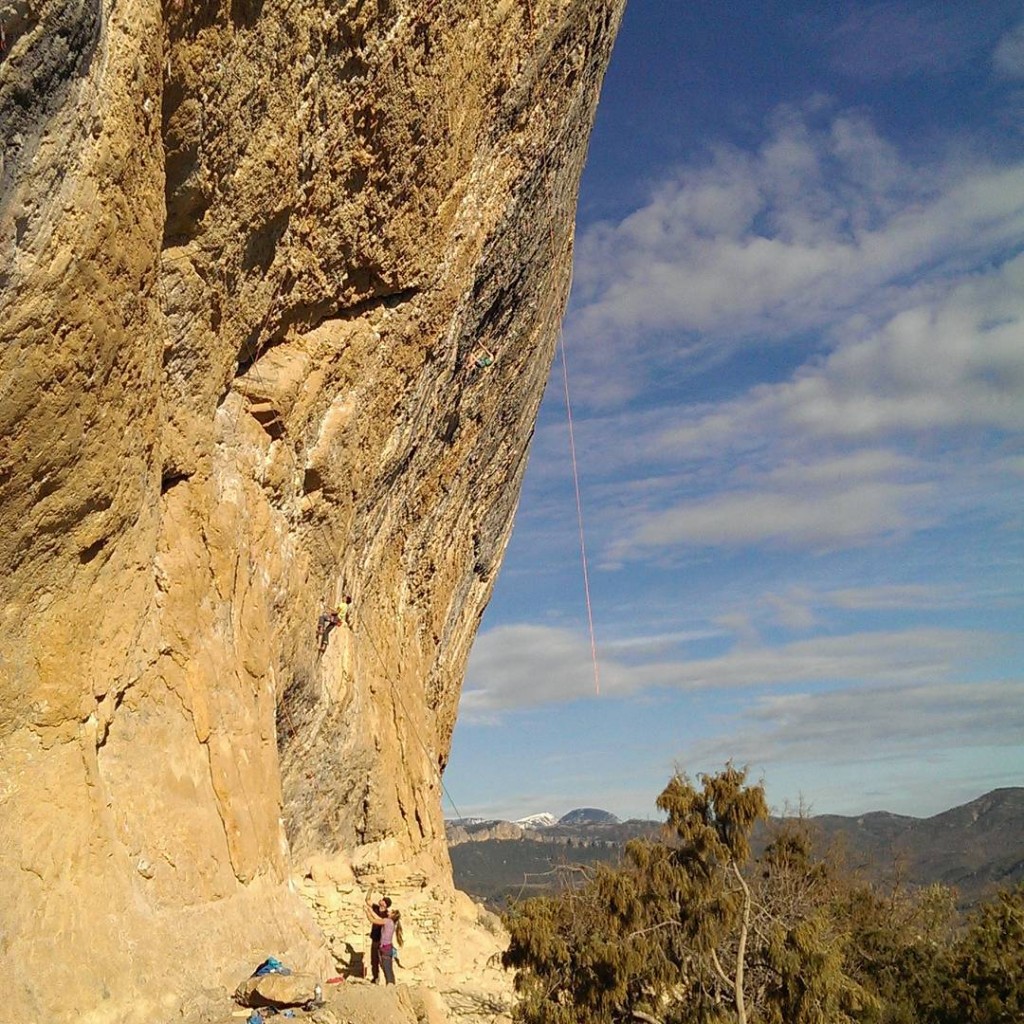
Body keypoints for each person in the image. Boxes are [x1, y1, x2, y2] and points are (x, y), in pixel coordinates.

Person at [364, 894, 392, 983]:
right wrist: (370, 890)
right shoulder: (376, 907)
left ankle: (387, 980)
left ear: (385, 904)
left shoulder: (386, 915)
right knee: (374, 960)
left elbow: (375, 919)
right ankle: (375, 977)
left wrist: (368, 912)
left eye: (383, 900)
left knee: (383, 961)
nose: (381, 900)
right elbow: (367, 900)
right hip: (374, 939)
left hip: (381, 941)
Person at [378, 908, 403, 985]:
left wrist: (368, 912)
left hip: (385, 949)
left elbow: (374, 920)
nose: (388, 911)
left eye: (391, 911)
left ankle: (391, 986)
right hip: (387, 948)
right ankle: (391, 985)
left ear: (392, 915)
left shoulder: (388, 921)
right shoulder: (391, 922)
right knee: (388, 969)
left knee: (387, 969)